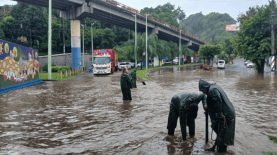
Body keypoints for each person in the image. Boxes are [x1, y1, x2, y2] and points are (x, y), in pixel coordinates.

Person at [199, 79, 235, 153]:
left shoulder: (212, 90)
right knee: (220, 132)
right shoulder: (214, 87)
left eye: (202, 91)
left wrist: (219, 115)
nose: (203, 93)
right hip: (227, 112)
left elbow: (217, 101)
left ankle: (221, 152)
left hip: (226, 114)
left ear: (204, 88)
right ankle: (215, 148)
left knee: (223, 134)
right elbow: (213, 103)